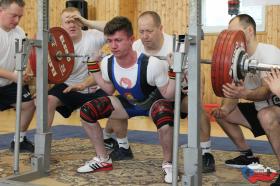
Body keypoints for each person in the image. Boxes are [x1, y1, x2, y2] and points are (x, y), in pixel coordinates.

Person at [103, 11, 215, 173]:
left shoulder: (177, 47)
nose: (145, 36)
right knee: (117, 103)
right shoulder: (135, 46)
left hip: (176, 92)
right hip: (147, 93)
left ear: (160, 28)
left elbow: (198, 75)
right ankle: (123, 147)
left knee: (198, 110)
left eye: (149, 31)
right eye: (141, 32)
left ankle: (206, 153)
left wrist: (197, 96)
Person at [77, 16, 176, 184]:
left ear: (131, 40)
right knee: (87, 111)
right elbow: (108, 89)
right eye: (110, 41)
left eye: (118, 40)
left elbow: (169, 95)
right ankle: (102, 158)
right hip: (128, 105)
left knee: (164, 113)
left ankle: (168, 163)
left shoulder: (152, 64)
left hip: (154, 105)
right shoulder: (107, 62)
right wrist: (93, 67)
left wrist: (174, 69)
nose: (113, 46)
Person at [211, 14, 280, 186]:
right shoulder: (236, 57)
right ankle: (247, 155)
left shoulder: (269, 53)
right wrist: (226, 110)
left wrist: (243, 93)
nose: (232, 38)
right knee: (222, 112)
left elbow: (265, 92)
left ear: (249, 31)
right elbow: (236, 92)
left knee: (266, 115)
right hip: (259, 108)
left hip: (275, 109)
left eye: (235, 32)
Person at [47, 7, 109, 128]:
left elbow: (114, 28)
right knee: (47, 100)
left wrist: (86, 21)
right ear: (62, 25)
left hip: (95, 87)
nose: (72, 25)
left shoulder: (93, 36)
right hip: (69, 87)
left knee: (117, 106)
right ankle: (43, 140)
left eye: (76, 20)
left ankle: (111, 137)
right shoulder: (55, 43)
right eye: (68, 22)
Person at [0, 0, 35, 153]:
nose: (17, 20)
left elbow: (23, 58)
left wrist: (25, 72)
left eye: (19, 17)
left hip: (9, 82)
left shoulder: (19, 32)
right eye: (13, 16)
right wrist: (15, 77)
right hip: (10, 78)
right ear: (1, 10)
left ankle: (19, 140)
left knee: (28, 105)